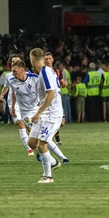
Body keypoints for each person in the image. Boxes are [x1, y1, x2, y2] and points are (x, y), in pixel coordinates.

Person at [27, 48, 69, 184]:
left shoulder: (45, 72)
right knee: (31, 142)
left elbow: (51, 94)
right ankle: (53, 162)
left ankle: (48, 176)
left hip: (50, 114)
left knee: (42, 143)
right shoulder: (44, 72)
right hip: (45, 113)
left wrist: (38, 113)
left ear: (32, 59)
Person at [0, 55, 35, 155]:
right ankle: (29, 149)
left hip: (26, 104)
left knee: (29, 127)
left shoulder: (28, 75)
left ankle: (36, 145)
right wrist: (2, 95)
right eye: (13, 61)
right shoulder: (8, 76)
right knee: (20, 123)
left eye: (16, 61)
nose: (14, 63)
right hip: (14, 103)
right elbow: (6, 87)